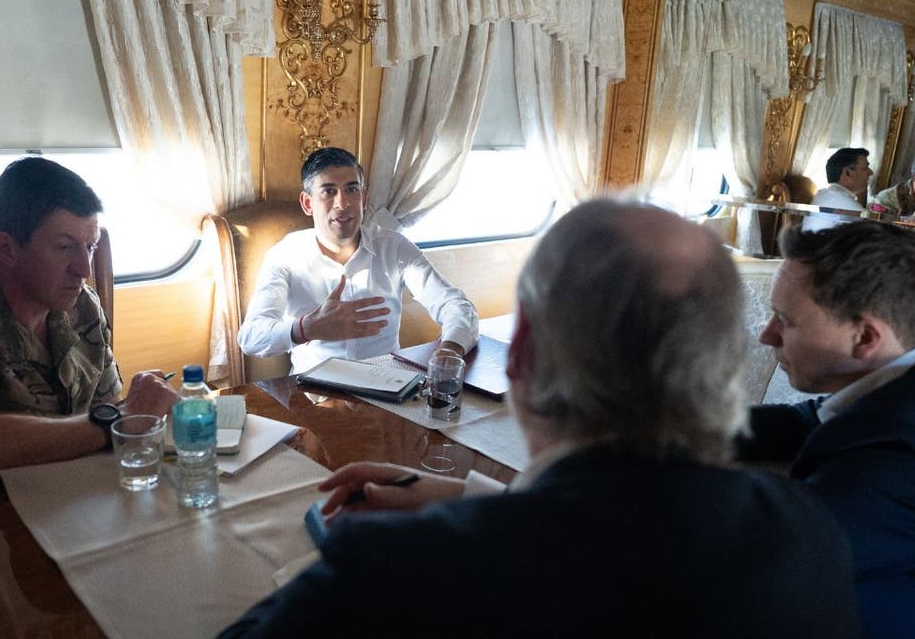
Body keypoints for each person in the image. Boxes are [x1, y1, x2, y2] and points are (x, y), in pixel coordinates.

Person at [220, 200, 860, 638]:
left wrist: (336, 559)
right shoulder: (810, 530)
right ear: (731, 356)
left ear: (519, 355)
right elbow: (619, 539)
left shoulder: (397, 572)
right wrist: (475, 495)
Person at [743, 220, 915, 637]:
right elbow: (810, 418)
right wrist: (669, 422)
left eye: (786, 320)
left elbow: (761, 555)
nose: (768, 335)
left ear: (865, 337)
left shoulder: (907, 456)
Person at [0, 157, 178, 484]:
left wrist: (144, 416)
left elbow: (108, 406)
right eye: (64, 247)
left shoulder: (82, 305)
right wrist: (119, 419)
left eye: (90, 246)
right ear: (7, 248)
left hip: (74, 496)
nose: (84, 269)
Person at [237, 147, 478, 373]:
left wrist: (450, 348)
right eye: (328, 192)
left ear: (364, 197)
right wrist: (305, 328)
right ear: (308, 203)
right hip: (314, 393)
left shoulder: (394, 247)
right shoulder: (285, 255)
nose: (342, 203)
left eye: (351, 190)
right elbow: (250, 337)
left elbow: (455, 305)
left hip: (386, 388)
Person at [803, 147, 872, 232]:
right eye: (865, 168)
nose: (871, 172)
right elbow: (878, 230)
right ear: (847, 173)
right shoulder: (840, 200)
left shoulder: (826, 194)